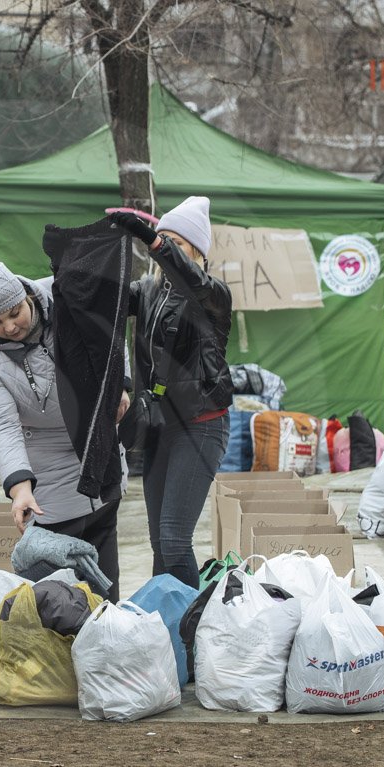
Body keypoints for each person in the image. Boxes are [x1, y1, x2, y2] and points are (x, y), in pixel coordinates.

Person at [0, 259, 124, 599]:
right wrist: (20, 486)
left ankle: (108, 629)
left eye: (14, 312)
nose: (9, 327)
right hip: (46, 468)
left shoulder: (65, 296)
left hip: (97, 448)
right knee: (63, 589)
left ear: (27, 296)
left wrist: (120, 385)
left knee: (106, 576)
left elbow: (106, 335)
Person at [109, 200, 233, 589]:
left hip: (202, 426)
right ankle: (164, 630)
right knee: (160, 544)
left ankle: (190, 633)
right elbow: (99, 300)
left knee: (175, 539)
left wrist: (150, 237)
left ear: (197, 251)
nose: (166, 247)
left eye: (177, 242)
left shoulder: (213, 295)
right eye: (164, 239)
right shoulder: (146, 290)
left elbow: (189, 280)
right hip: (160, 428)